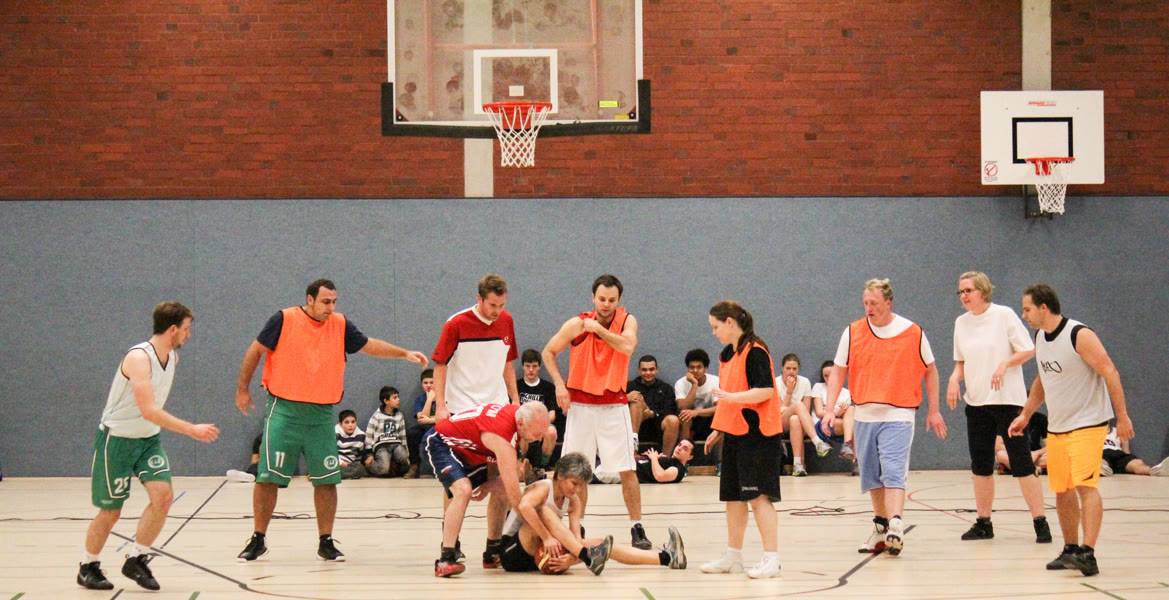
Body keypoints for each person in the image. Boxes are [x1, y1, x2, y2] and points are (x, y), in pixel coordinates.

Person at [234, 279, 428, 563]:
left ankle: (325, 541)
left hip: (321, 413)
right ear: (309, 300)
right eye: (326, 302)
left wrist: (403, 353)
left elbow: (368, 345)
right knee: (268, 478)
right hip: (284, 409)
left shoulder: (340, 324)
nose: (331, 307)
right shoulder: (284, 319)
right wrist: (242, 389)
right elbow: (254, 351)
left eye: (334, 302)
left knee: (326, 480)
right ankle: (258, 538)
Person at [78, 302, 219, 591]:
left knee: (163, 498)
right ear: (173, 329)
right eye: (187, 328)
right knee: (111, 512)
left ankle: (136, 558)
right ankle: (88, 566)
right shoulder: (139, 357)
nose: (189, 334)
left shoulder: (172, 358)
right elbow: (148, 410)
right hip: (117, 440)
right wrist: (191, 429)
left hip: (148, 441)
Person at [1009, 283, 1133, 577]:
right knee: (1062, 490)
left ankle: (1088, 553)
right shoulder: (1041, 338)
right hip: (1058, 426)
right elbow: (1042, 380)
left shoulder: (1079, 334)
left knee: (1085, 486)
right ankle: (1070, 549)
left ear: (1044, 307)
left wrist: (1123, 416)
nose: (1024, 315)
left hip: (1088, 424)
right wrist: (1026, 414)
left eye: (1027, 309)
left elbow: (1110, 371)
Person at [823, 278, 947, 557]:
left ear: (889, 303)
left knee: (893, 470)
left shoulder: (912, 332)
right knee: (871, 475)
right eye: (865, 303)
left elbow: (931, 370)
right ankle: (881, 529)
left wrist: (934, 409)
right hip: (864, 414)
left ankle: (896, 525)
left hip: (898, 413)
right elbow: (839, 371)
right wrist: (830, 409)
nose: (869, 308)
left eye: (874, 303)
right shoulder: (853, 332)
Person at [541, 274, 651, 550]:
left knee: (628, 469)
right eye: (601, 299)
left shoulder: (627, 321)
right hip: (580, 406)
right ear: (593, 298)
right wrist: (559, 385)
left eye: (611, 300)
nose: (606, 304)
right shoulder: (577, 324)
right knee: (577, 472)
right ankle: (577, 527)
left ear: (619, 300)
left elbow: (627, 346)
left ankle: (637, 527)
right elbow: (548, 352)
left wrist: (599, 330)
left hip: (613, 406)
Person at [945, 271, 1051, 543]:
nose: (963, 296)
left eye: (968, 290)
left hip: (1007, 402)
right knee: (980, 465)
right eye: (960, 292)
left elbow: (1028, 350)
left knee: (1022, 462)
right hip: (977, 403)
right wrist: (955, 379)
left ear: (982, 291)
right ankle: (984, 522)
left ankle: (1040, 522)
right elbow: (961, 361)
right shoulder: (961, 323)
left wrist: (1005, 363)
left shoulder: (1003, 315)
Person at [430, 274, 521, 567]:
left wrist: (515, 399)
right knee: (457, 484)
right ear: (479, 299)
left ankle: (492, 548)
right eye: (492, 305)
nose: (497, 311)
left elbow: (508, 363)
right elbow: (440, 365)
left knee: (501, 481)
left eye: (501, 305)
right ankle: (451, 543)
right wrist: (441, 406)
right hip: (462, 412)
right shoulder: (456, 323)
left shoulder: (506, 321)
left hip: (496, 411)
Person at [699, 300, 784, 579]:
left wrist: (733, 398)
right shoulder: (727, 354)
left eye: (716, 326)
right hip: (735, 433)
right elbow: (728, 396)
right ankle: (733, 556)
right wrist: (718, 428)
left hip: (759, 435)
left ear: (730, 322)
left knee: (758, 498)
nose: (714, 332)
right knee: (734, 498)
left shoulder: (755, 351)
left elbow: (765, 391)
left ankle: (772, 559)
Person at [499, 452, 686, 575]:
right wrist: (547, 537)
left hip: (545, 555)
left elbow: (576, 541)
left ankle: (667, 558)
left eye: (581, 485)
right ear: (560, 475)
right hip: (513, 552)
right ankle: (587, 557)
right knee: (542, 510)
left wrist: (571, 560)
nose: (577, 489)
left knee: (601, 544)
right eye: (574, 483)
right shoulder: (543, 487)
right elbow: (524, 507)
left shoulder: (574, 501)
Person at [426, 402, 553, 577]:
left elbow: (494, 453)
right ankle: (445, 558)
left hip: (471, 450)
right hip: (442, 442)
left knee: (501, 486)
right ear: (521, 424)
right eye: (537, 434)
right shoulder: (503, 435)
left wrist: (491, 480)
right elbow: (516, 498)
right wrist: (543, 534)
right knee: (463, 490)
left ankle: (492, 552)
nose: (538, 439)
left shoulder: (516, 417)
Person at [778, 353, 833, 476]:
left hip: (800, 422)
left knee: (795, 419)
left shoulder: (804, 382)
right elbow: (781, 410)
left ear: (798, 369)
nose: (791, 372)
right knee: (798, 405)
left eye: (794, 369)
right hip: (781, 423)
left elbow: (806, 411)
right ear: (782, 368)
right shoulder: (776, 382)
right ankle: (817, 442)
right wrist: (789, 392)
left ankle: (797, 465)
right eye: (788, 368)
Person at [809, 360, 857, 472]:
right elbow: (819, 413)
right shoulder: (818, 387)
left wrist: (843, 413)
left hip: (840, 426)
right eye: (825, 376)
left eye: (830, 375)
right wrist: (837, 413)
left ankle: (847, 445)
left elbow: (848, 416)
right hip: (822, 424)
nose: (828, 379)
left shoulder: (846, 393)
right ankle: (854, 456)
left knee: (852, 410)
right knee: (854, 426)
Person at [627, 355, 681, 455]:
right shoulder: (629, 386)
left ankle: (665, 458)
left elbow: (670, 410)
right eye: (644, 370)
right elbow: (616, 405)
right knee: (636, 397)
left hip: (657, 426)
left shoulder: (666, 388)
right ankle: (633, 445)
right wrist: (627, 398)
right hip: (633, 425)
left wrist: (652, 414)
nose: (648, 373)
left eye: (651, 369)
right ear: (639, 371)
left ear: (657, 370)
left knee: (673, 420)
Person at [517, 348, 560, 471]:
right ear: (523, 366)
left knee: (551, 432)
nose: (531, 370)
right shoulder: (516, 386)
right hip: (522, 423)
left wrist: (539, 424)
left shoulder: (548, 387)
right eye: (527, 366)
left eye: (534, 366)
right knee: (521, 429)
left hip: (542, 424)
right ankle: (522, 464)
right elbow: (513, 410)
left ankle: (543, 465)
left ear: (539, 367)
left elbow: (552, 414)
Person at [674, 349, 720, 462]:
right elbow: (683, 407)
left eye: (699, 367)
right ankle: (683, 462)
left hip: (709, 418)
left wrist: (697, 412)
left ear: (705, 368)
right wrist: (694, 385)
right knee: (684, 415)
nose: (695, 371)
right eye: (692, 367)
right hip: (691, 420)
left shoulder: (715, 381)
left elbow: (719, 408)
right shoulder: (681, 383)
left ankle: (720, 462)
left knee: (723, 419)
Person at [365, 386, 409, 477]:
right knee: (384, 469)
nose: (398, 400)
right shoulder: (376, 416)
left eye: (398, 397)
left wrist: (405, 450)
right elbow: (369, 435)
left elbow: (402, 435)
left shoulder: (399, 416)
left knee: (404, 458)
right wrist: (369, 454)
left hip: (396, 444)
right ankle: (369, 467)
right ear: (386, 401)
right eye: (395, 398)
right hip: (382, 445)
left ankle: (395, 471)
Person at [1100, 424, 1169, 476]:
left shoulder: (1118, 430)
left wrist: (1129, 459)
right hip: (1102, 452)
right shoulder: (1094, 433)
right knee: (1102, 462)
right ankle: (1101, 469)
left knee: (1137, 464)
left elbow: (1126, 451)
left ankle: (1156, 470)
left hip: (1118, 453)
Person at [405, 369, 437, 479]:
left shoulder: (444, 397)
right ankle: (414, 465)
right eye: (425, 383)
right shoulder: (420, 399)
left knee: (433, 435)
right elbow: (421, 418)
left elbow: (446, 418)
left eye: (431, 382)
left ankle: (439, 466)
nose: (428, 385)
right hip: (425, 426)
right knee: (412, 433)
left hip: (439, 426)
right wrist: (429, 399)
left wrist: (431, 420)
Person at [336, 410, 371, 480]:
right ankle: (333, 474)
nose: (350, 425)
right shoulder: (335, 434)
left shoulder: (361, 435)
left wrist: (370, 456)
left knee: (360, 469)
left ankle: (333, 475)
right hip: (337, 462)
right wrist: (341, 462)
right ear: (340, 424)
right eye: (346, 422)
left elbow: (365, 450)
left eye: (353, 422)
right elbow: (329, 452)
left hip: (351, 465)